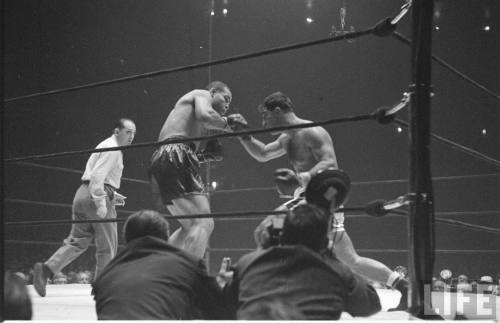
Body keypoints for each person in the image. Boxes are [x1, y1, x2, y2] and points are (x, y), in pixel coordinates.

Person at [238, 91, 410, 311]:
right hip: (311, 199)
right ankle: (404, 286)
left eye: (266, 117)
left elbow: (329, 162)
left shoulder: (312, 132)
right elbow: (262, 153)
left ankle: (271, 289)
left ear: (278, 111)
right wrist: (243, 135)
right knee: (351, 260)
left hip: (324, 196)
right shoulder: (286, 138)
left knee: (268, 228)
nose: (264, 122)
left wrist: (302, 178)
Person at [33, 118, 136, 297]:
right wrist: (102, 202)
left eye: (134, 133)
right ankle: (103, 286)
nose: (132, 136)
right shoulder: (113, 149)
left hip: (82, 194)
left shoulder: (104, 144)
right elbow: (97, 177)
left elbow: (94, 177)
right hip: (96, 195)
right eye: (128, 132)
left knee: (77, 241)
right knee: (108, 245)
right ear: (117, 131)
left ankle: (46, 270)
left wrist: (112, 194)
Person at [222, 203, 381, 319]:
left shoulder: (248, 263)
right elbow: (371, 305)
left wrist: (263, 251)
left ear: (284, 234)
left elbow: (225, 308)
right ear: (324, 241)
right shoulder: (336, 271)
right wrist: (331, 257)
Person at [149, 81, 246, 258]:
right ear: (213, 91)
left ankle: (157, 267)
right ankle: (188, 278)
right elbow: (206, 115)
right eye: (225, 98)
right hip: (175, 153)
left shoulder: (192, 122)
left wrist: (202, 156)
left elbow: (178, 147)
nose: (227, 105)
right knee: (204, 223)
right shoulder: (201, 94)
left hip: (163, 157)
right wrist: (227, 123)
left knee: (189, 227)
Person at [92, 209, 229, 320]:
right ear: (165, 238)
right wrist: (221, 287)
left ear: (127, 239)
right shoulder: (187, 264)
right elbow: (220, 312)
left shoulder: (105, 276)